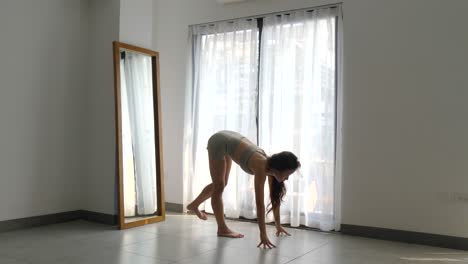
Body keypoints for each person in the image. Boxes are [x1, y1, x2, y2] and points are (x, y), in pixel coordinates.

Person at [187, 130, 301, 249]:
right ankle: (222, 229)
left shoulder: (271, 167)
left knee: (222, 183)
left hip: (229, 140)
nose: (287, 178)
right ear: (279, 169)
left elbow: (274, 197)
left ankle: (194, 205)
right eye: (287, 174)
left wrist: (278, 225)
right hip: (218, 142)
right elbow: (259, 204)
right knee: (219, 186)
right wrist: (263, 235)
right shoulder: (261, 167)